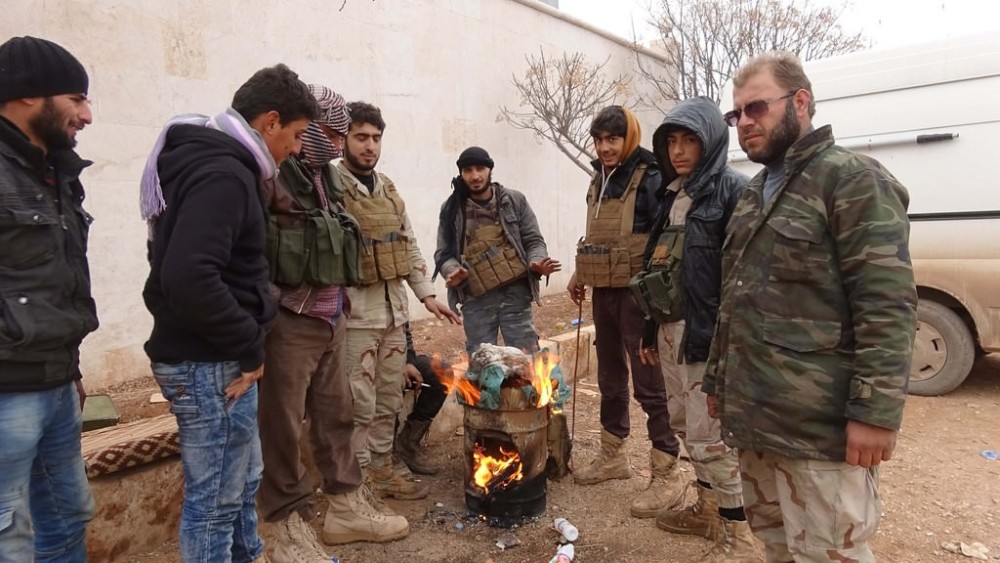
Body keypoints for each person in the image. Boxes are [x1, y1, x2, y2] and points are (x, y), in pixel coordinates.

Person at [704, 52, 917, 562]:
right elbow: (734, 299)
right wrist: (718, 382)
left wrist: (875, 413)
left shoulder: (851, 179)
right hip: (758, 420)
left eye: (756, 108)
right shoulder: (755, 193)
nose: (745, 124)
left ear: (800, 101)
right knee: (777, 547)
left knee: (829, 554)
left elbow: (886, 305)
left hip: (820, 431)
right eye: (736, 115)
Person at [140, 64, 319, 563]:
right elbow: (190, 276)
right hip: (209, 365)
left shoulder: (227, 166)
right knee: (215, 502)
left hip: (217, 360)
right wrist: (246, 344)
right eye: (298, 135)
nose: (298, 149)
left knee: (241, 486)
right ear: (270, 122)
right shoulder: (224, 173)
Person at [258, 85, 407, 560]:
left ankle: (345, 507)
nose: (339, 144)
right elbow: (254, 249)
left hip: (329, 314)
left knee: (337, 416)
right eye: (331, 133)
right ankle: (285, 529)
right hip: (289, 320)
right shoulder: (275, 173)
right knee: (281, 426)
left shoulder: (323, 177)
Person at [633, 97, 755, 560]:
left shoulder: (734, 192)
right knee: (684, 423)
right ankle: (707, 508)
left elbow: (742, 279)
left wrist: (730, 348)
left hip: (708, 338)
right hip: (670, 332)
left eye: (690, 141)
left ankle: (738, 535)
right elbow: (657, 267)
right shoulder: (672, 194)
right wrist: (649, 328)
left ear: (711, 143)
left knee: (713, 436)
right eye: (672, 142)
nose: (679, 151)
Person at [0, 36, 98, 563]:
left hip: (57, 381)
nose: (85, 115)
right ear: (26, 96)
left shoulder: (55, 170)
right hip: (6, 391)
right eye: (75, 99)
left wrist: (71, 366)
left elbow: (54, 283)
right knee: (7, 534)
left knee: (67, 513)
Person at [332, 102, 460, 502]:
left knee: (388, 400)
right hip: (354, 318)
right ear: (344, 140)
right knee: (359, 404)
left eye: (376, 138)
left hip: (392, 315)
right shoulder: (331, 185)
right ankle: (358, 485)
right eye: (361, 137)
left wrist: (427, 294)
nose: (370, 146)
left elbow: (407, 246)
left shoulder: (387, 188)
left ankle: (384, 471)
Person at [566, 105, 683, 516]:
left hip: (637, 295)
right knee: (609, 376)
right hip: (604, 292)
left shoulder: (650, 175)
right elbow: (597, 233)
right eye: (598, 140)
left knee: (649, 383)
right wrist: (580, 271)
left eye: (612, 139)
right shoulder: (599, 178)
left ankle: (666, 469)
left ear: (628, 137)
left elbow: (660, 239)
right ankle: (613, 456)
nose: (604, 148)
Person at [433, 146, 560, 355]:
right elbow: (443, 253)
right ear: (461, 174)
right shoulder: (452, 209)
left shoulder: (514, 201)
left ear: (490, 169)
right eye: (468, 170)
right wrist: (452, 271)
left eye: (480, 168)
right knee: (483, 362)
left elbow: (534, 240)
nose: (475, 176)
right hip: (476, 298)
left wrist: (536, 262)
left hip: (515, 295)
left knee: (526, 360)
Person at [392, 322, 448, 475]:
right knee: (392, 381)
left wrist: (408, 361)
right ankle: (387, 454)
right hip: (372, 361)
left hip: (398, 357)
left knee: (442, 373)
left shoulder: (395, 299)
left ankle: (407, 445)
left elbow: (405, 333)